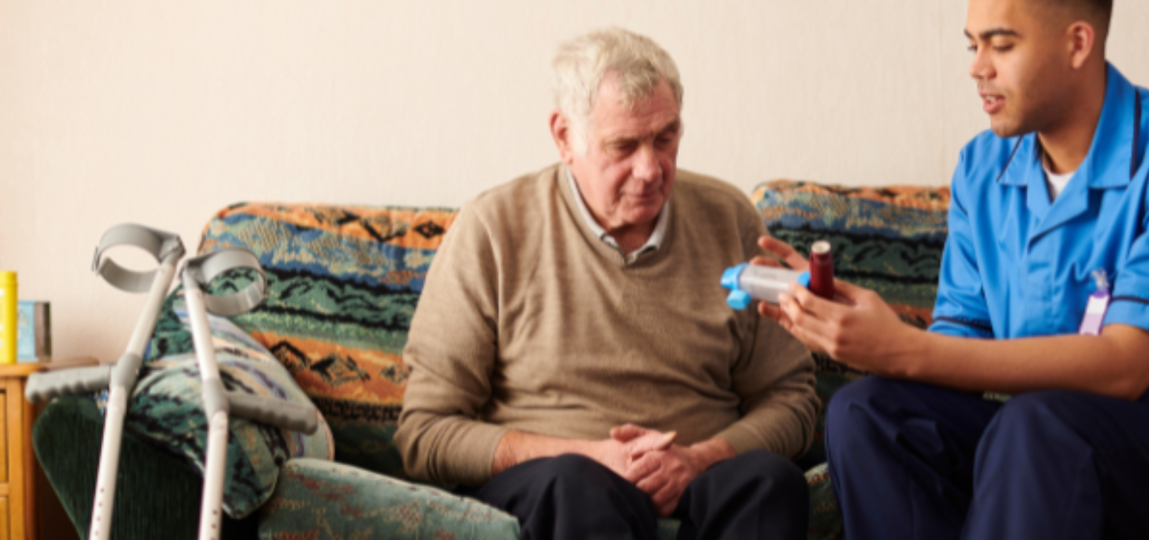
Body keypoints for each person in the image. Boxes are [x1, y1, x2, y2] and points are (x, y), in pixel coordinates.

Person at [393, 27, 819, 540]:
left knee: (770, 481)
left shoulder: (729, 218)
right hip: (557, 483)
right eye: (623, 146)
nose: (650, 169)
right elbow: (425, 433)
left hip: (703, 474)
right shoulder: (492, 228)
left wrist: (701, 458)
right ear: (564, 136)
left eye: (665, 138)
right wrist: (584, 453)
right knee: (578, 485)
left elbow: (792, 398)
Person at [752, 0, 1149, 538]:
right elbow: (955, 341)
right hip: (1027, 439)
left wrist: (907, 349)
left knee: (1033, 424)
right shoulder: (982, 168)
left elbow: (1125, 365)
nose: (976, 67)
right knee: (865, 413)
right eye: (972, 44)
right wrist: (853, 328)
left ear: (1077, 43)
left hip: (1125, 442)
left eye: (1001, 45)